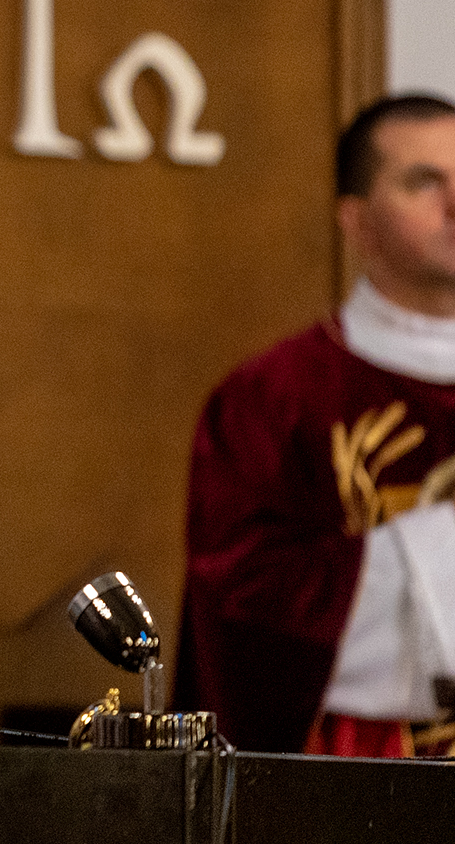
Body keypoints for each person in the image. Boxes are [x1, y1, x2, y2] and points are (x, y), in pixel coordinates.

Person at [178, 93, 455, 757]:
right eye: (424, 182)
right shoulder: (274, 398)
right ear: (355, 220)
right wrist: (440, 550)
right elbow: (243, 607)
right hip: (355, 774)